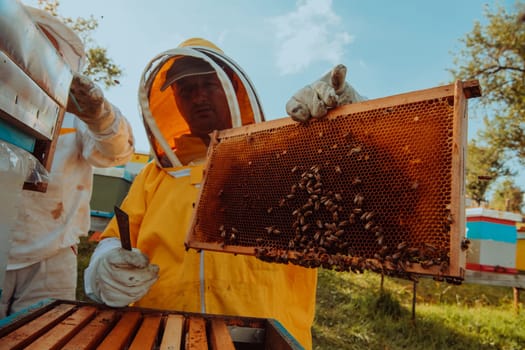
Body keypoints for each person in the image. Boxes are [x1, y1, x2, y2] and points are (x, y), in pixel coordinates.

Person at [84, 37, 362, 349]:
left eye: (208, 84)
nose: (198, 97)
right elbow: (114, 239)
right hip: (161, 334)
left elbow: (364, 196)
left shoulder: (285, 161)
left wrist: (353, 127)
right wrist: (105, 267)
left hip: (266, 337)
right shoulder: (155, 175)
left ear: (234, 90)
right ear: (174, 101)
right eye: (186, 90)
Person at [0, 7, 135, 317]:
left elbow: (115, 153)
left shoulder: (78, 112)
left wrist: (98, 116)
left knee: (40, 335)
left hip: (52, 253)